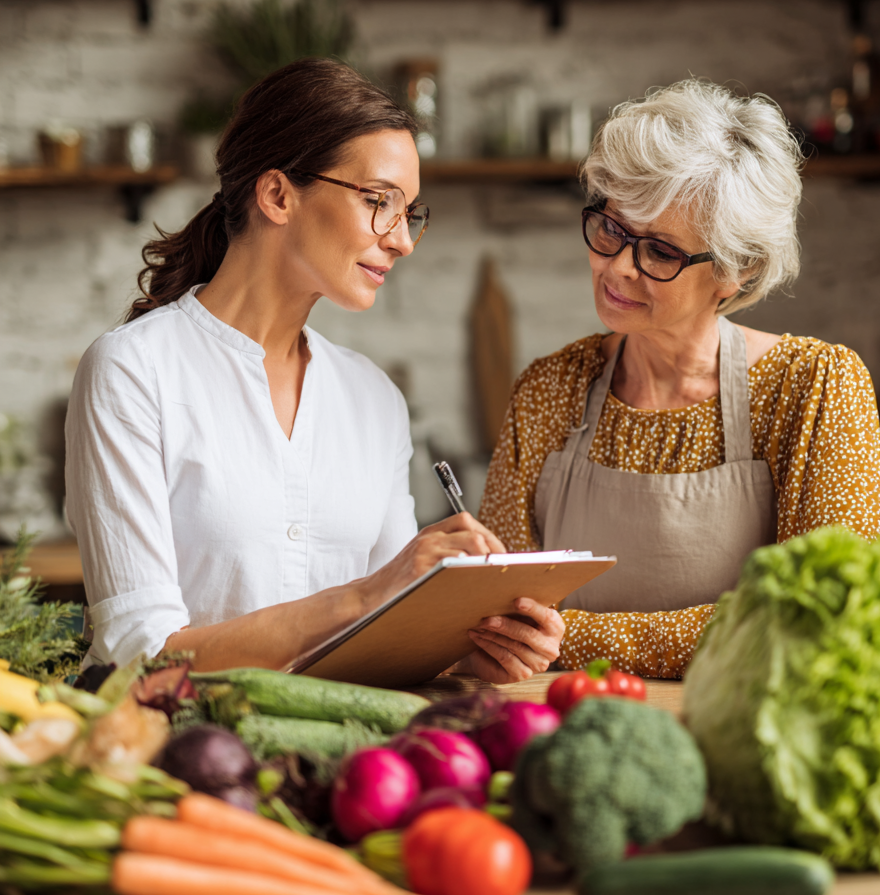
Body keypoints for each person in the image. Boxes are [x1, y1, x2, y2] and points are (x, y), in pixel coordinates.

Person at [66, 58, 563, 681]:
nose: (403, 239)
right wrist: (368, 592)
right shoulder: (131, 371)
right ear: (277, 194)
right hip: (174, 759)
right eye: (379, 201)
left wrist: (474, 645)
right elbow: (139, 655)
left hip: (339, 754)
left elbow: (388, 632)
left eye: (409, 212)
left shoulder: (373, 397)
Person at [479, 80, 880, 679]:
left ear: (735, 271)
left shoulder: (814, 388)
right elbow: (495, 619)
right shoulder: (549, 390)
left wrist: (569, 635)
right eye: (611, 230)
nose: (619, 267)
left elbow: (833, 612)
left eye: (661, 253)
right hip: (565, 733)